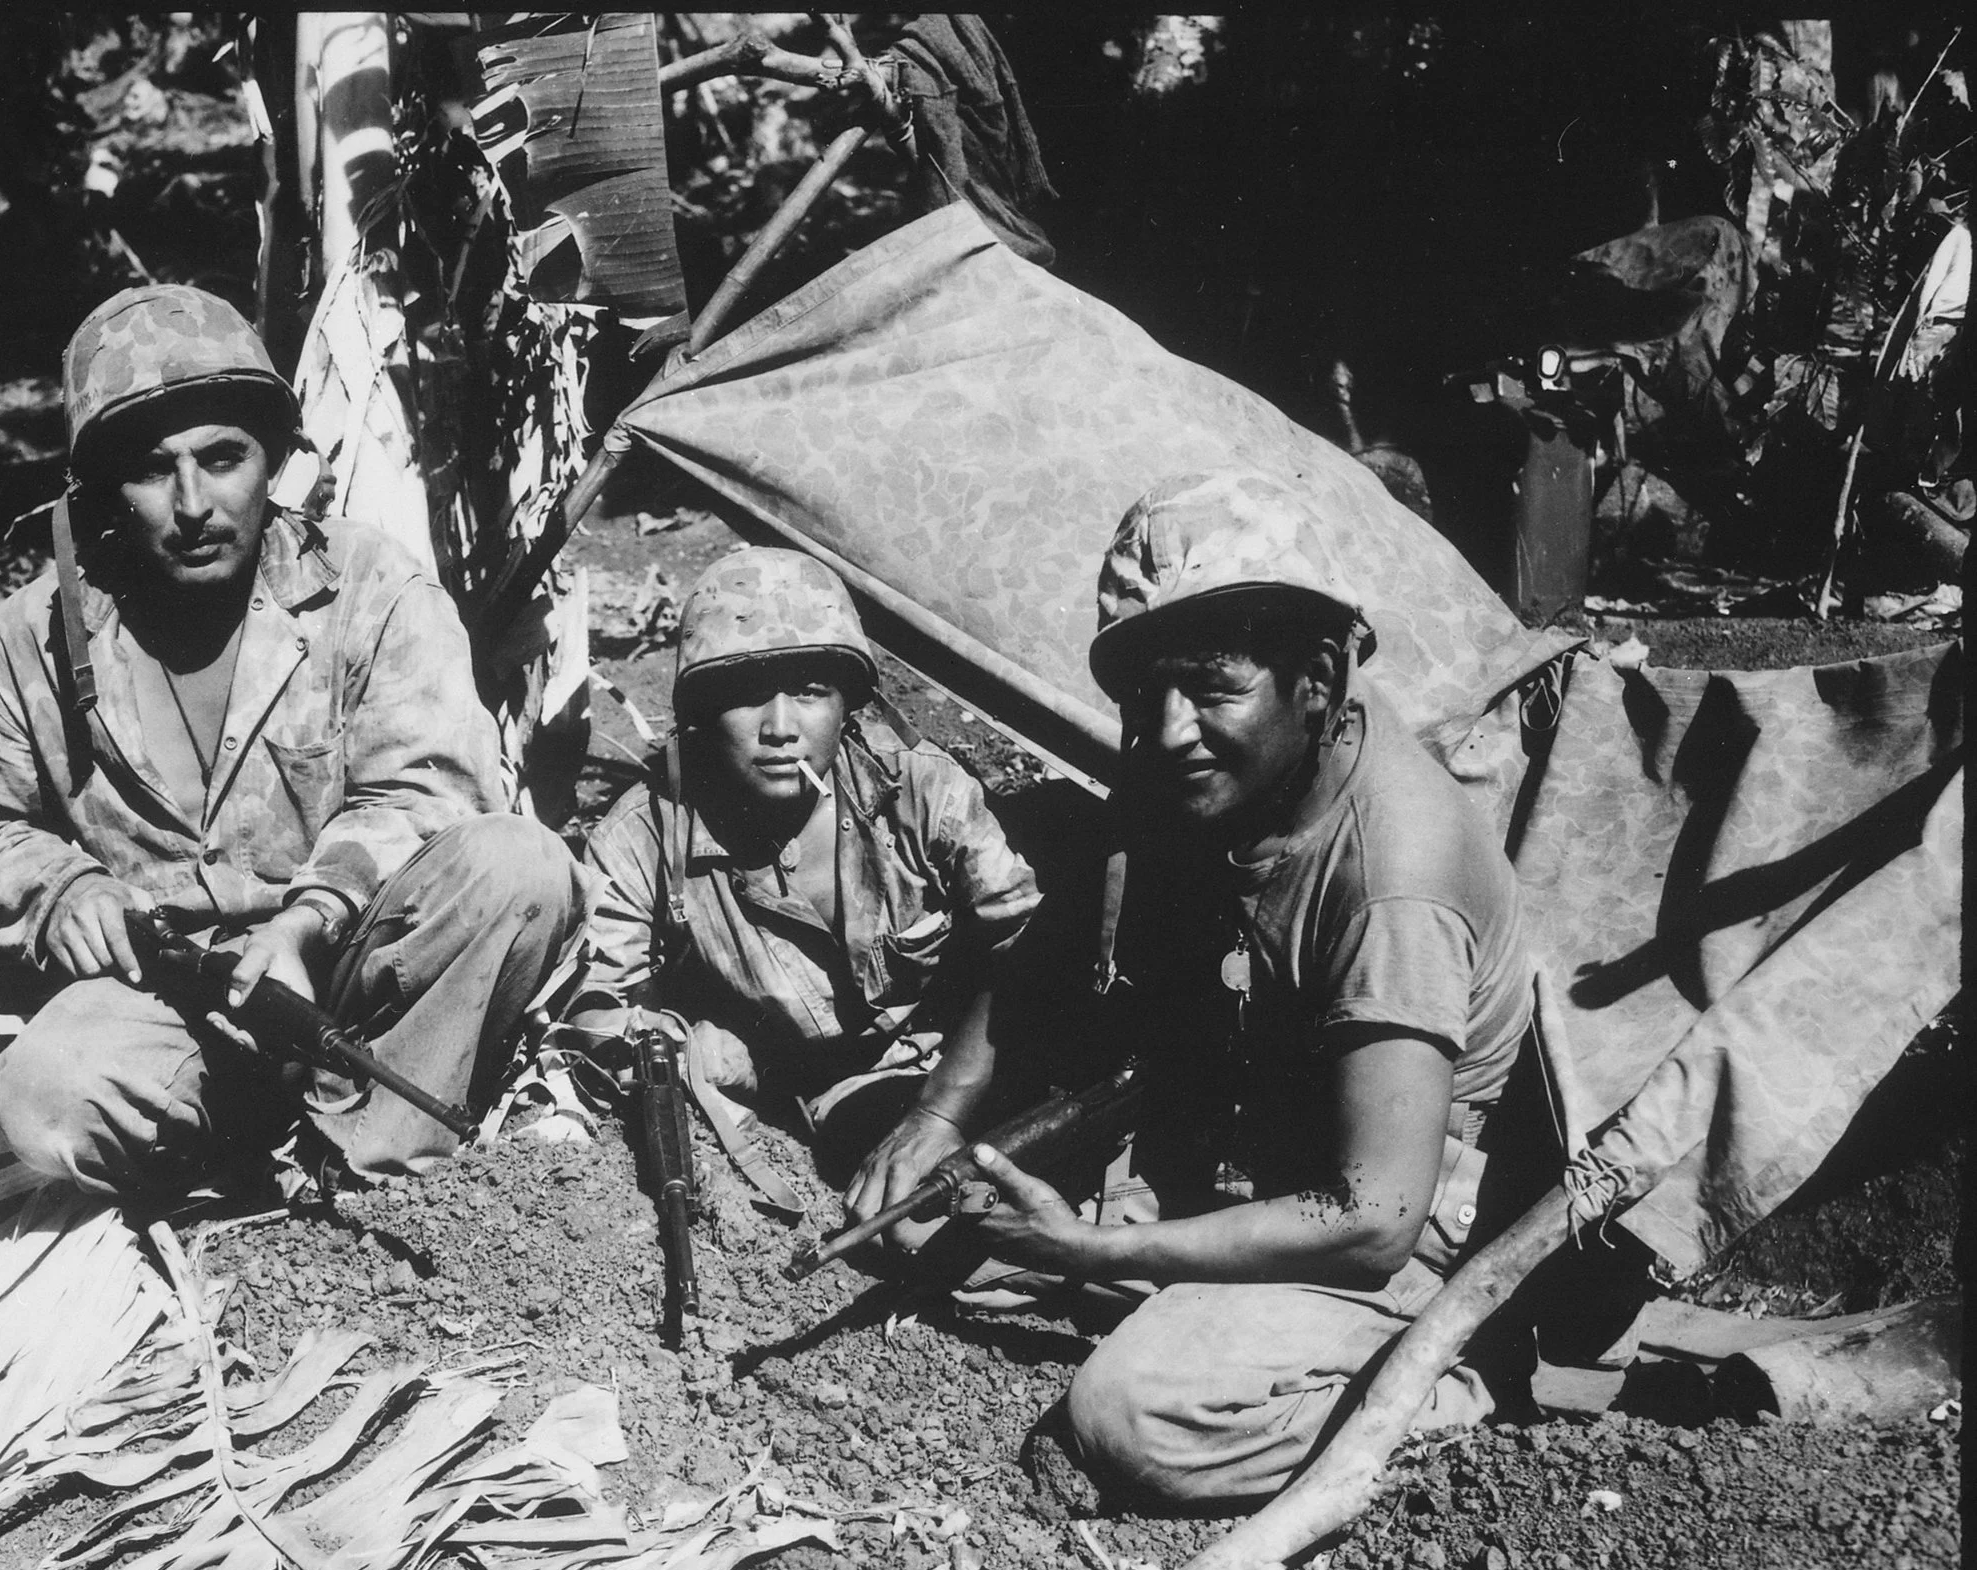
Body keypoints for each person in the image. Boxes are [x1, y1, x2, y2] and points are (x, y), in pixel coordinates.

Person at [0, 284, 589, 1197]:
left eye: (222, 457)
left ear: (272, 459)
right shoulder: (34, 635)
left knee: (522, 866)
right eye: (152, 469)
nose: (193, 503)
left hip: (345, 973)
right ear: (104, 487)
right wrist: (61, 890)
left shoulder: (368, 587)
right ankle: (228, 1152)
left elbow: (430, 789)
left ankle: (374, 1162)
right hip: (162, 994)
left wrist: (303, 923)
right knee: (49, 1099)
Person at [963, 470, 1534, 1507]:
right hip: (1257, 1143)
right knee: (948, 1229)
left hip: (1394, 1227)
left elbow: (1373, 1218)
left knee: (1128, 1418)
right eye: (1147, 695)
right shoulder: (1235, 761)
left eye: (1211, 688)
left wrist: (1091, 1247)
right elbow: (1067, 922)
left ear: (1317, 677)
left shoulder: (1396, 879)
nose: (1169, 729)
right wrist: (935, 1112)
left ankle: (1450, 1381)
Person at [568, 547, 1040, 1215]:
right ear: (702, 712)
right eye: (746, 695)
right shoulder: (643, 837)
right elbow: (597, 1013)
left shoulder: (919, 791)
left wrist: (944, 1107)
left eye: (811, 692)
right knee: (918, 1225)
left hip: (975, 1062)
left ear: (849, 703)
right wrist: (708, 1054)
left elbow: (1028, 942)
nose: (781, 729)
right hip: (824, 1103)